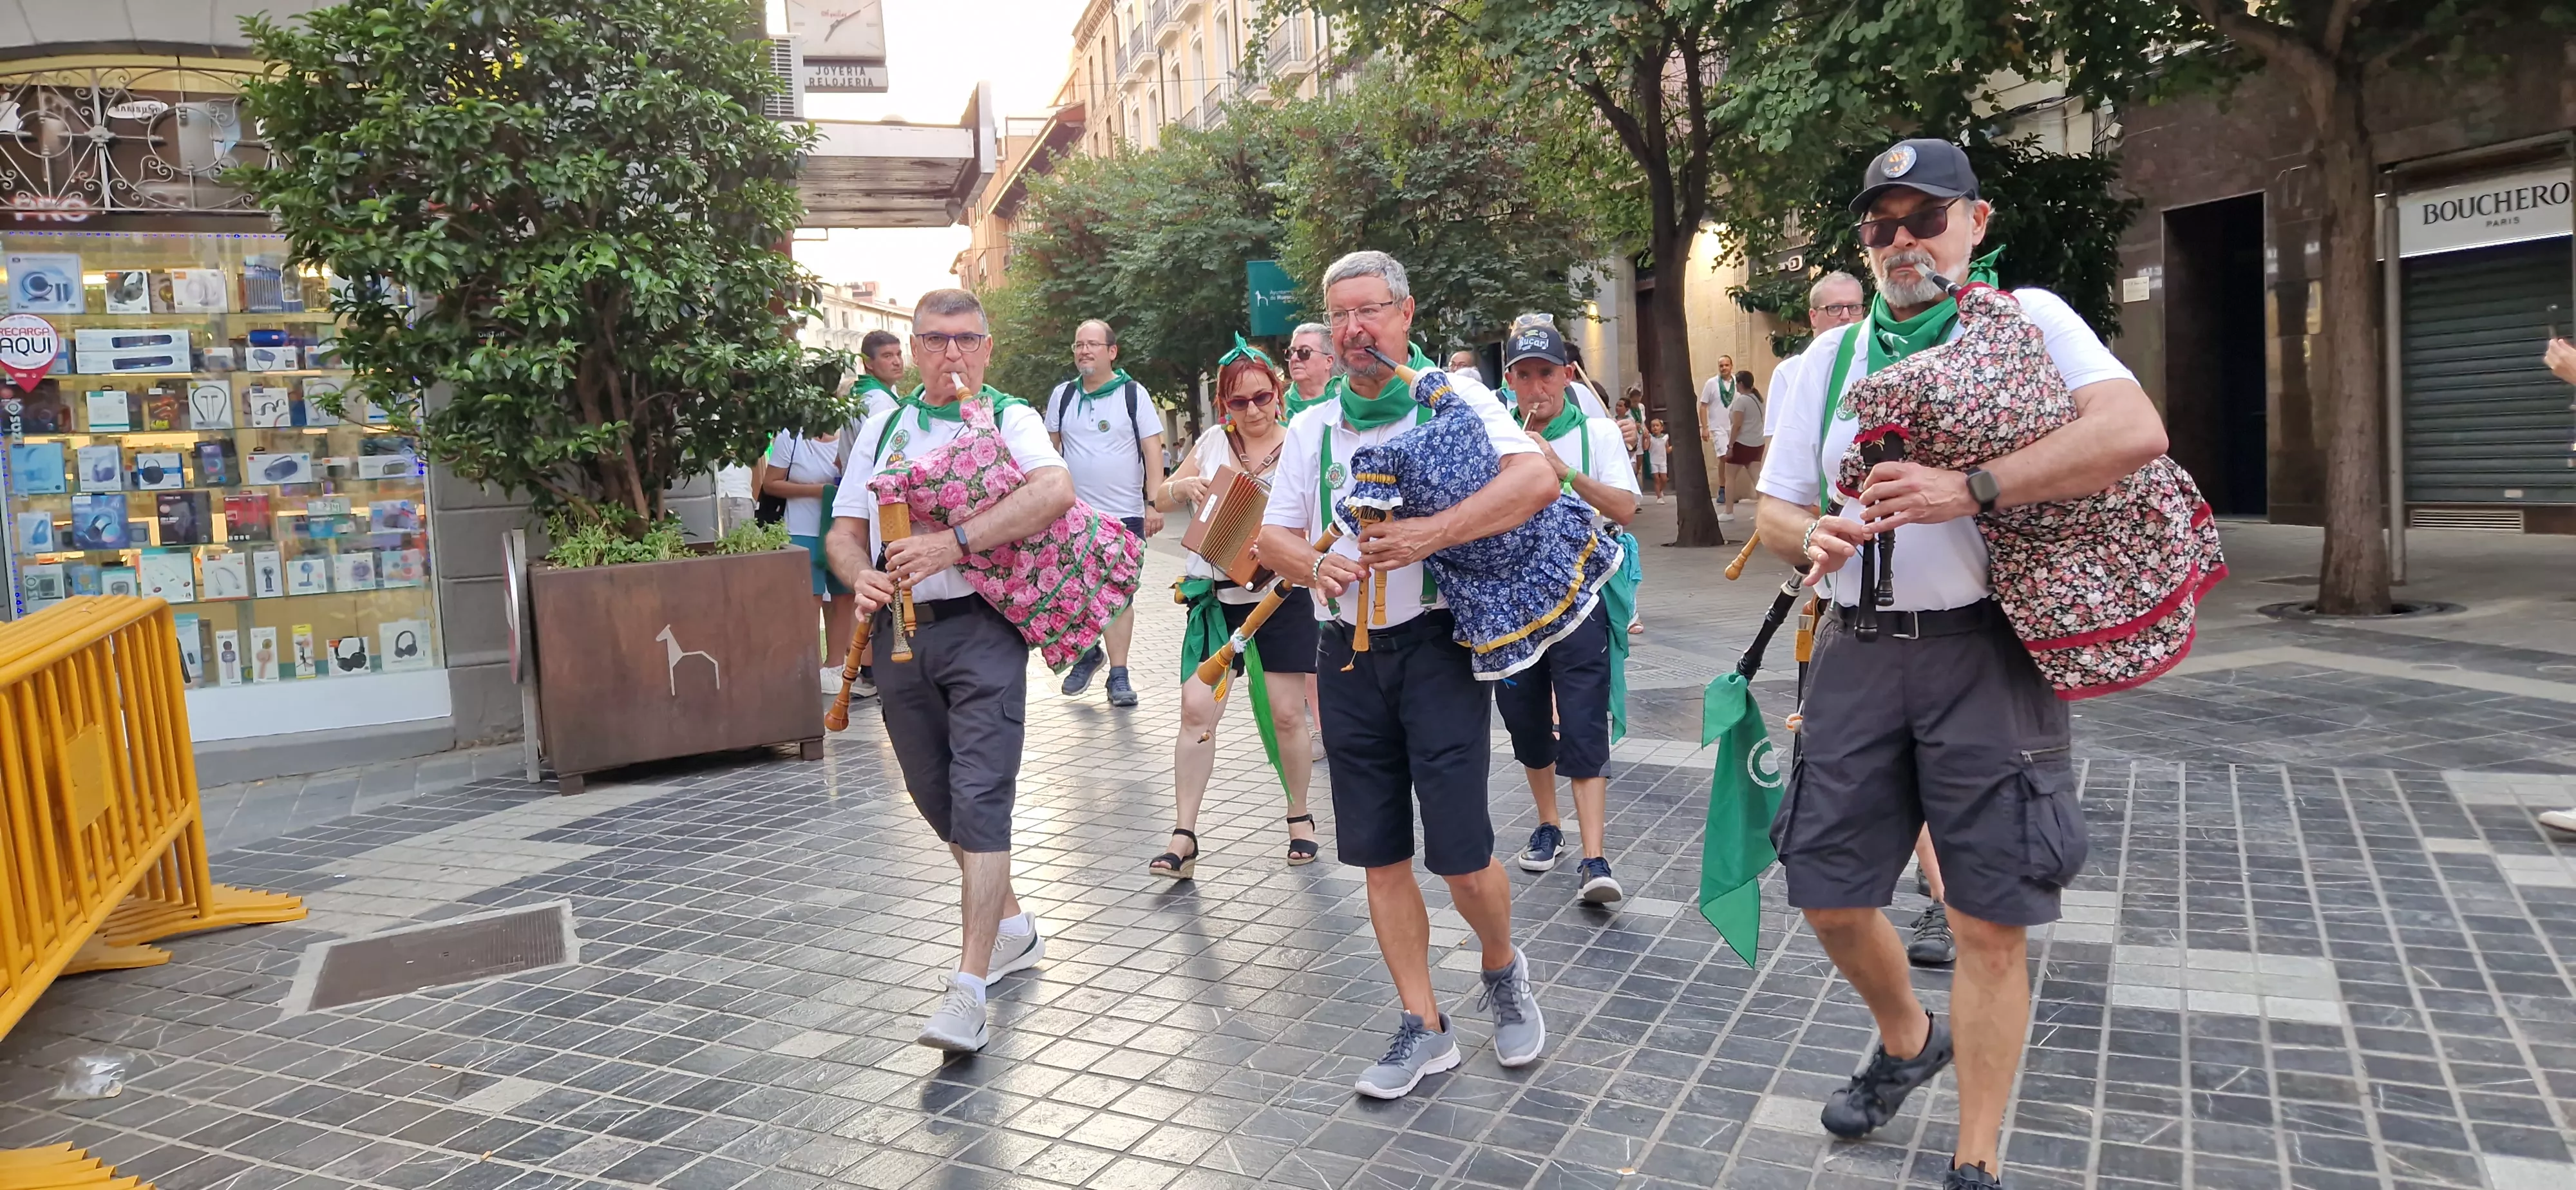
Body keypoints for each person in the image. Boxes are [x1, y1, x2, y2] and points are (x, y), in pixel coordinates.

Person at [1754, 138, 2169, 1190]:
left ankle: (1974, 1158)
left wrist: (1969, 487)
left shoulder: (2028, 321)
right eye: (1881, 224)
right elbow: (1775, 507)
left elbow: (2134, 430)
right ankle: (1908, 1037)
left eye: (1925, 218)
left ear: (1975, 223)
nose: (1902, 241)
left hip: (1988, 650)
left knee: (1990, 920)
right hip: (1856, 647)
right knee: (1827, 891)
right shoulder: (1825, 364)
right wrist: (1807, 534)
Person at [1258, 250, 1557, 1100]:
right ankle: (1423, 1025)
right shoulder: (1314, 427)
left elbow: (1536, 478)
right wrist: (1312, 567)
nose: (1355, 329)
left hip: (1438, 648)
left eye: (1370, 311)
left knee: (1461, 858)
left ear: (1405, 313)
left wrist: (1432, 534)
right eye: (1340, 315)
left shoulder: (1452, 399)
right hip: (1346, 655)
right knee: (1380, 855)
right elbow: (1272, 537)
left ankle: (1501, 968)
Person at [825, 288, 1078, 1054]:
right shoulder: (885, 427)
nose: (951, 354)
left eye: (966, 339)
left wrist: (955, 543)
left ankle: (968, 988)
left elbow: (1054, 490)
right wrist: (859, 577)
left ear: (987, 347)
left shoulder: (1010, 417)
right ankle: (1013, 928)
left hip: (983, 627)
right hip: (900, 634)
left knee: (981, 797)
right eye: (935, 340)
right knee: (936, 800)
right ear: (914, 349)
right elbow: (843, 533)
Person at [1151, 337, 1321, 876]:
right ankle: (1183, 835)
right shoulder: (1211, 442)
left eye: (1261, 398)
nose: (1252, 411)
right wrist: (1184, 487)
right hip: (1216, 600)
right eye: (1239, 402)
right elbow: (1160, 496)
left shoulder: (1300, 443)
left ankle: (1299, 815)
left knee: (1287, 714)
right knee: (1196, 710)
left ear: (1278, 393)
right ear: (1225, 404)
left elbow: (1320, 519)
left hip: (1281, 599)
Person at [1496, 324, 1640, 903]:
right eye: (1525, 375)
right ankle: (1548, 823)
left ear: (1568, 376)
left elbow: (1625, 509)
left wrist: (1563, 470)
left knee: (1583, 718)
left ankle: (1594, 856)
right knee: (1524, 718)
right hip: (1513, 602)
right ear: (1509, 380)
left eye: (1547, 374)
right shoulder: (1494, 436)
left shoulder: (1598, 433)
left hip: (1584, 598)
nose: (1537, 387)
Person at [1046, 319, 1166, 708]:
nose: (1084, 351)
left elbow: (1152, 449)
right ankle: (1088, 653)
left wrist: (1153, 502)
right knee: (1075, 590)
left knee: (1119, 595)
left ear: (1112, 352)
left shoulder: (1132, 394)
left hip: (1124, 515)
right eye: (1078, 344)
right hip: (1073, 515)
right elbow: (1049, 452)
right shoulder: (1063, 396)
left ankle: (1119, 674)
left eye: (1092, 344)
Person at [758, 420, 857, 695]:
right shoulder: (791, 436)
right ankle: (809, 667)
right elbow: (771, 484)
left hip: (842, 528)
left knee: (843, 595)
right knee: (808, 599)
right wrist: (821, 491)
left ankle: (836, 667)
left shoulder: (850, 434)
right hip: (800, 529)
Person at [840, 329, 911, 699]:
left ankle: (870, 669)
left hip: (855, 492)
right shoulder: (880, 403)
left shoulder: (860, 395)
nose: (897, 361)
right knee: (886, 586)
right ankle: (880, 669)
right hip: (879, 501)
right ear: (868, 363)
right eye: (887, 356)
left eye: (899, 354)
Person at [1717, 369, 1768, 521]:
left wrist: (1730, 446)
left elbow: (1737, 425)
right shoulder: (1758, 400)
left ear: (1739, 384)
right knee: (1757, 480)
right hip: (1757, 443)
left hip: (1742, 443)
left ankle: (1729, 511)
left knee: (1730, 477)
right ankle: (1764, 513)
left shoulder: (1741, 401)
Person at [1284, 321, 1336, 417]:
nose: (1294, 358)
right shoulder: (1277, 408)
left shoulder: (1346, 402)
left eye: (1305, 352)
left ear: (1328, 362)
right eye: (1291, 352)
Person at [1645, 418, 1669, 502]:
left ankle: (1660, 490)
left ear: (1662, 428)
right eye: (1653, 426)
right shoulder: (1651, 438)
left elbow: (1667, 449)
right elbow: (1646, 447)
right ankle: (1659, 497)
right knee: (1656, 479)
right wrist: (1646, 439)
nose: (1655, 427)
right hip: (1653, 461)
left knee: (1664, 479)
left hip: (1663, 461)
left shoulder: (1665, 438)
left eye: (1657, 426)